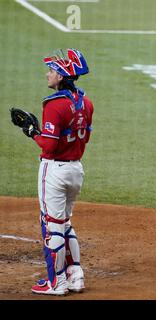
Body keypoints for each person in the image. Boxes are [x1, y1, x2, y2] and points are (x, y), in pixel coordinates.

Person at [30, 48, 93, 295]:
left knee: (52, 225)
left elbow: (49, 145)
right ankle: (75, 276)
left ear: (61, 76)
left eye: (52, 71)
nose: (48, 74)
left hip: (54, 170)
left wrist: (33, 133)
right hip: (76, 169)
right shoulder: (87, 103)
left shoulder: (54, 105)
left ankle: (56, 283)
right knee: (65, 222)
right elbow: (84, 139)